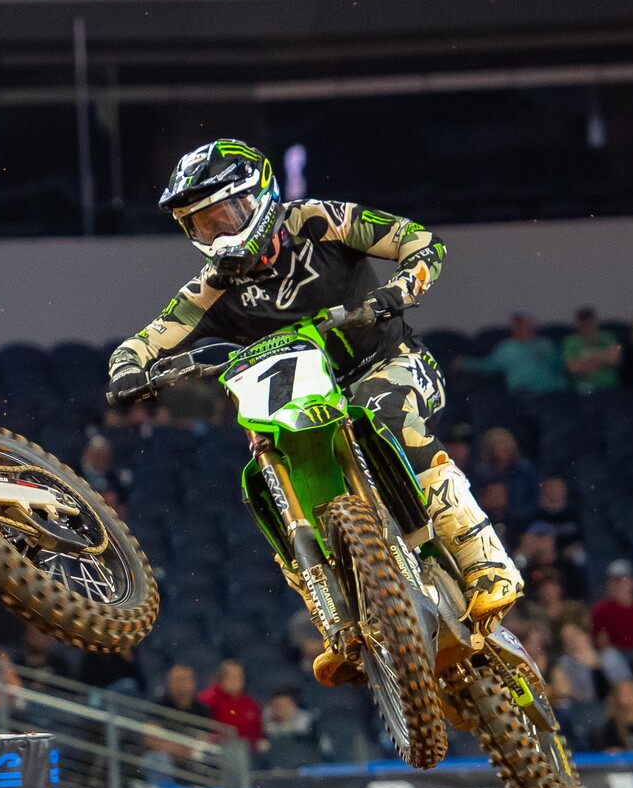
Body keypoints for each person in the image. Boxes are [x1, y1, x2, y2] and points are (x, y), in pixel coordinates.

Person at [104, 143, 516, 664]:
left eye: (225, 215)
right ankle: (336, 621)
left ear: (260, 196)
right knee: (262, 477)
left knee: (384, 415)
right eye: (203, 226)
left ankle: (487, 562)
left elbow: (420, 241)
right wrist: (127, 371)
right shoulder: (211, 287)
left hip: (387, 365)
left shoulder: (319, 221)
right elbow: (144, 341)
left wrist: (401, 289)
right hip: (300, 401)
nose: (219, 234)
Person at [460, 310, 570, 396]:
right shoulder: (506, 347)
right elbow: (487, 366)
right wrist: (464, 362)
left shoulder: (545, 343)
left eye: (526, 322)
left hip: (555, 392)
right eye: (518, 323)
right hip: (525, 395)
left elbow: (562, 365)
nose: (522, 326)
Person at [196, 659, 265, 745]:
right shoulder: (207, 699)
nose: (236, 681)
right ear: (221, 678)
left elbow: (257, 733)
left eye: (239, 677)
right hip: (215, 748)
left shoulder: (251, 704)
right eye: (232, 677)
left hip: (245, 751)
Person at [561, 307, 622, 393]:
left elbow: (615, 358)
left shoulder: (608, 337)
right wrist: (603, 358)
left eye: (590, 322)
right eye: (584, 323)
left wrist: (586, 361)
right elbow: (572, 367)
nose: (587, 326)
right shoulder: (570, 341)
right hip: (584, 389)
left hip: (608, 386)